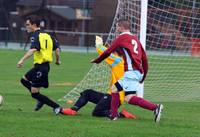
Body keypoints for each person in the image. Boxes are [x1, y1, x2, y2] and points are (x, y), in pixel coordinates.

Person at [91, 19, 163, 122]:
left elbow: (108, 52)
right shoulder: (136, 40)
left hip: (130, 72)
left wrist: (97, 60)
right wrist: (143, 75)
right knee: (129, 98)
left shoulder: (122, 38)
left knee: (114, 89)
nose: (116, 29)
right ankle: (155, 108)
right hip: (138, 72)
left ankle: (113, 115)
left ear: (121, 27)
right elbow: (144, 59)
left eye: (117, 27)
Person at [62, 36, 136, 119]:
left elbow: (102, 50)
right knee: (87, 93)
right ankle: (73, 110)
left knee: (97, 112)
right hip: (113, 95)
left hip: (115, 97)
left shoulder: (117, 61)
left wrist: (98, 41)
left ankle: (121, 114)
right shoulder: (120, 61)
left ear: (115, 51)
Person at [17, 15, 62, 114]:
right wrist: (58, 60)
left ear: (33, 24)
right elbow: (57, 49)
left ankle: (57, 107)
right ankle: (41, 100)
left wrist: (22, 60)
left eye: (28, 24)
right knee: (24, 80)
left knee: (34, 93)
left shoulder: (35, 36)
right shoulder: (48, 35)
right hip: (42, 67)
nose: (26, 26)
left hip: (41, 68)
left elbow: (33, 49)